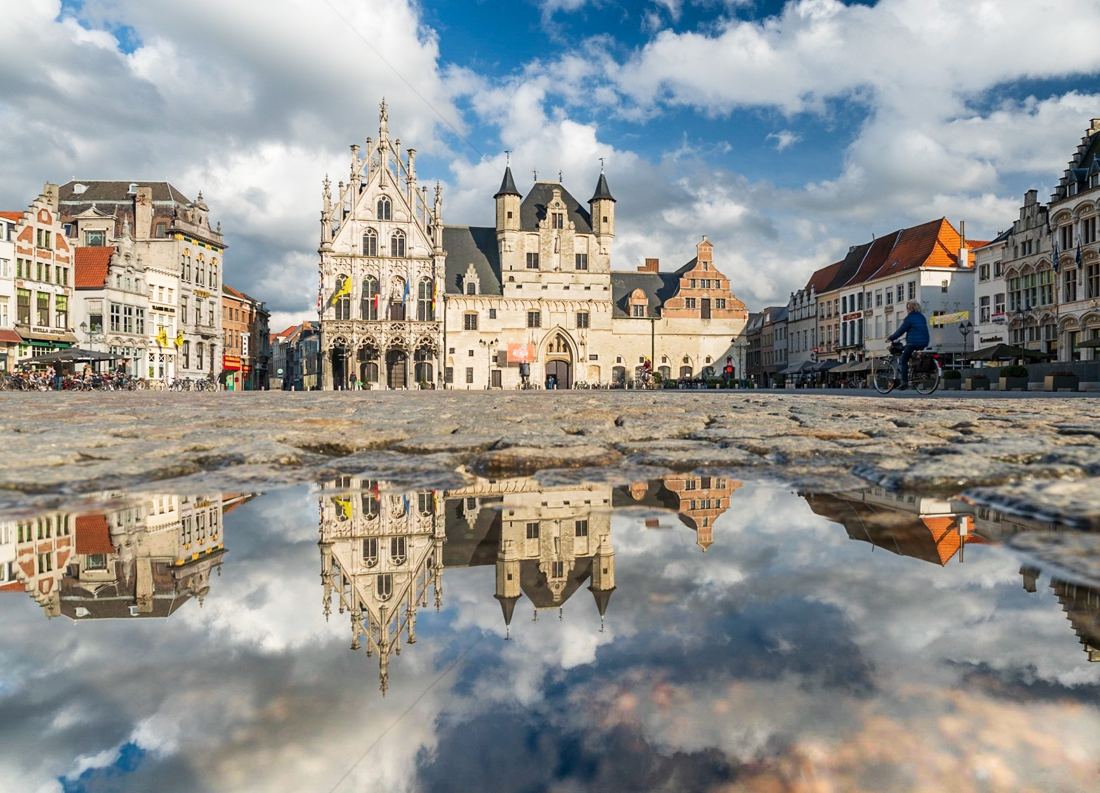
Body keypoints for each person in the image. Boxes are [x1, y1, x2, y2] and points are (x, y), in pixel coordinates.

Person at [887, 300, 930, 389]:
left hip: (914, 342)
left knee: (903, 360)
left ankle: (904, 382)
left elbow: (901, 330)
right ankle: (915, 367)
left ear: (910, 309)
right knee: (911, 355)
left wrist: (891, 337)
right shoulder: (922, 317)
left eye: (907, 308)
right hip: (925, 341)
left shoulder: (910, 318)